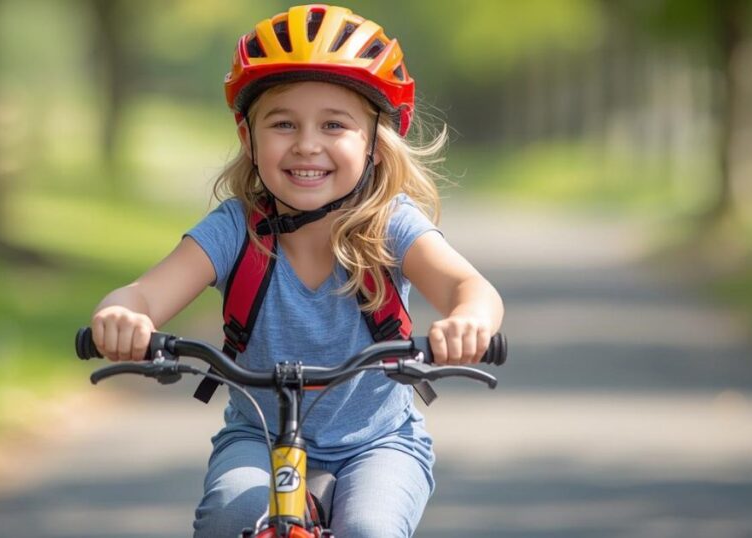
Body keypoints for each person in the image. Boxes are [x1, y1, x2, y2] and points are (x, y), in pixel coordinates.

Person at [89, 5, 503, 537]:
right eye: (283, 123)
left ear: (375, 143)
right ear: (249, 137)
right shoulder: (234, 229)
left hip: (377, 443)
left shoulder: (390, 224)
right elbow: (145, 293)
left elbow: (469, 287)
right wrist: (122, 315)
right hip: (257, 438)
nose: (307, 143)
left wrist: (467, 319)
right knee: (230, 514)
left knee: (370, 528)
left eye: (334, 124)